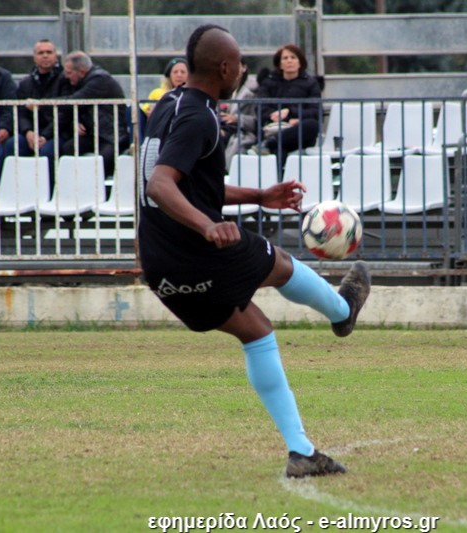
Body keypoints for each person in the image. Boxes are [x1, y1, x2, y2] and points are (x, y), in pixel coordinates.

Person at [139, 24, 371, 478]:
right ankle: (343, 311)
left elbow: (190, 185)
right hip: (198, 250)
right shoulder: (201, 118)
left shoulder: (169, 104)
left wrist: (259, 196)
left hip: (160, 264)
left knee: (258, 332)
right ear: (225, 68)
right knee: (279, 262)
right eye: (241, 63)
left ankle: (302, 453)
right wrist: (208, 226)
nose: (245, 70)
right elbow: (160, 185)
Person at [59, 51, 130, 177]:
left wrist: (42, 104)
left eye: (69, 73)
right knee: (68, 148)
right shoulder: (79, 82)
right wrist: (76, 122)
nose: (66, 76)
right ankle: (72, 184)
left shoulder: (100, 80)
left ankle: (99, 187)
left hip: (112, 136)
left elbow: (76, 101)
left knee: (103, 161)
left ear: (81, 71)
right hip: (94, 134)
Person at [1, 39, 71, 165]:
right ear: (34, 57)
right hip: (32, 132)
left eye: (49, 52)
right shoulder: (26, 83)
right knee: (12, 145)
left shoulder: (66, 80)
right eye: (41, 53)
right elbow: (21, 112)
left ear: (56, 56)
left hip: (58, 133)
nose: (45, 56)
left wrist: (45, 136)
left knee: (48, 151)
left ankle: (50, 180)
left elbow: (65, 114)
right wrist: (28, 132)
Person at [254, 44, 322, 168]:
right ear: (279, 64)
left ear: (300, 62)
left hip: (298, 132)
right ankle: (279, 177)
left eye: (293, 57)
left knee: (312, 125)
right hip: (275, 128)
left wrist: (292, 114)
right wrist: (273, 115)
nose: (289, 61)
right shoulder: (269, 83)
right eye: (285, 58)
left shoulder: (311, 84)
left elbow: (315, 111)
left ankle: (270, 143)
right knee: (279, 149)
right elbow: (260, 108)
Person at [220, 56, 260, 168]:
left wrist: (236, 118)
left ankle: (226, 171)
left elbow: (256, 120)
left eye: (237, 65)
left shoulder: (253, 91)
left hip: (242, 132)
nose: (233, 69)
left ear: (244, 68)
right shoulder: (223, 87)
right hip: (223, 126)